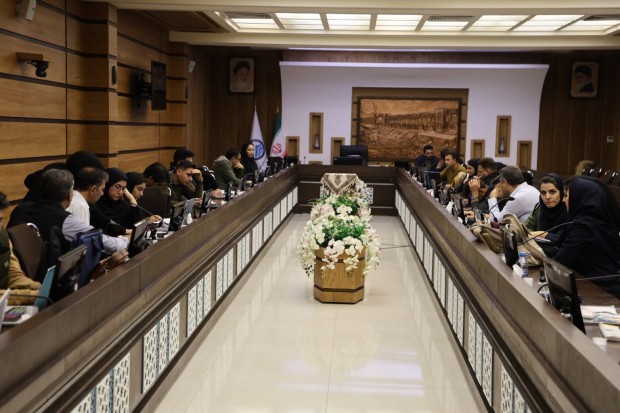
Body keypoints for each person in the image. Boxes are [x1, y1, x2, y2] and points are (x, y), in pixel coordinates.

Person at [9, 169, 128, 256]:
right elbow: (102, 242)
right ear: (69, 195)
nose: (102, 193)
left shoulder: (22, 208)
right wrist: (127, 239)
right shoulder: (66, 220)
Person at [554, 177, 620, 298]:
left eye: (566, 196)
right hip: (606, 286)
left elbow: (559, 263)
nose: (563, 200)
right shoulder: (600, 221)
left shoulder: (582, 227)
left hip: (602, 292)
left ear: (579, 198)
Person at [0, 191, 41, 305]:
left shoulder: (3, 237)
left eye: (0, 220)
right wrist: (30, 296)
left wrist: (36, 287)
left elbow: (13, 274)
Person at [524, 173, 569, 243]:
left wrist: (542, 235)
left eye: (552, 192)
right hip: (537, 247)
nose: (547, 197)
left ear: (561, 192)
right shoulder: (540, 207)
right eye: (543, 193)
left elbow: (564, 239)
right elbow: (525, 228)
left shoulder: (568, 210)